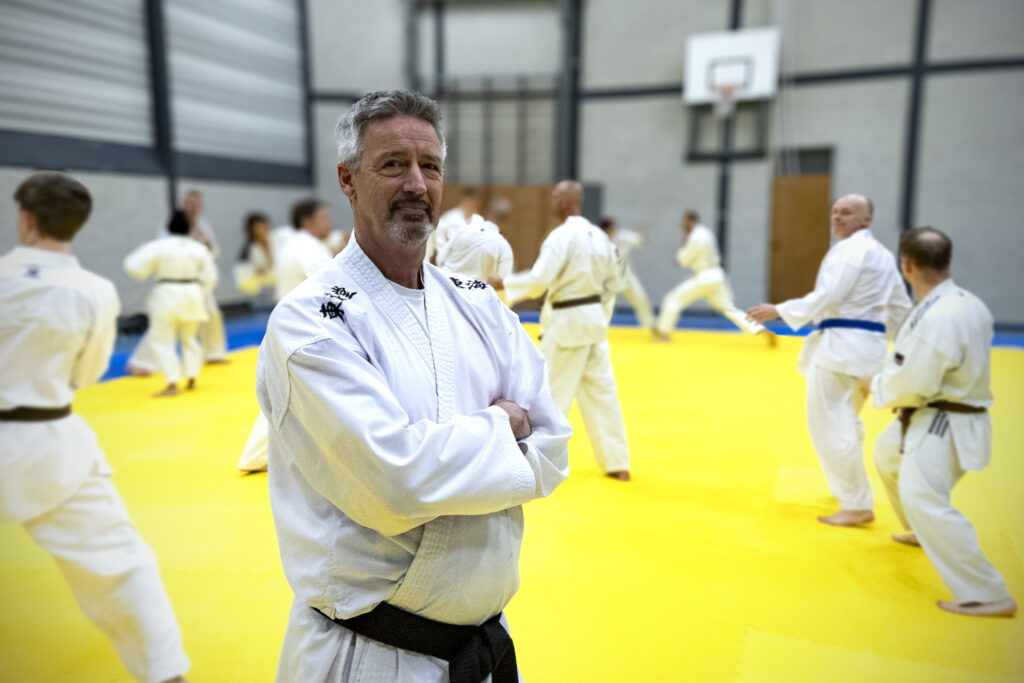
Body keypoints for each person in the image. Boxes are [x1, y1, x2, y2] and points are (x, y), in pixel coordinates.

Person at [256, 89, 570, 681]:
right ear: (348, 180)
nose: (417, 185)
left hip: (486, 641)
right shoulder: (311, 318)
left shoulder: (478, 303)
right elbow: (393, 481)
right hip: (370, 653)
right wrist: (505, 425)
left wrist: (445, 453)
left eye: (430, 166)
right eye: (393, 165)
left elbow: (553, 444)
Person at [0, 171, 190, 682]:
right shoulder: (94, 291)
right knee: (123, 566)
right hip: (51, 441)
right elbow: (87, 374)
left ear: (26, 218)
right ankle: (165, 674)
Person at [869, 227, 1016, 617]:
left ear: (907, 265)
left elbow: (915, 381)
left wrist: (880, 388)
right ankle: (921, 531)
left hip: (944, 420)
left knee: (925, 498)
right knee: (886, 456)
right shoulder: (967, 303)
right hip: (941, 409)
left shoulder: (939, 317)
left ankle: (988, 594)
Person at [748, 194, 912, 527]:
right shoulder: (881, 255)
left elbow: (830, 295)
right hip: (868, 350)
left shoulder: (851, 251)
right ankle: (852, 490)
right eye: (835, 212)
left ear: (866, 219)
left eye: (848, 212)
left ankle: (855, 503)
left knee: (828, 425)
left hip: (840, 349)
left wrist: (780, 310)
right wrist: (892, 346)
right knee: (847, 421)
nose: (838, 217)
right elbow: (899, 307)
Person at [496, 180, 631, 481]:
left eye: (556, 196)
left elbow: (540, 279)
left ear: (568, 202)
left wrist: (505, 284)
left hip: (567, 324)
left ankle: (539, 459)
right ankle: (617, 462)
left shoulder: (562, 237)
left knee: (550, 393)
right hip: (594, 323)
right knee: (603, 393)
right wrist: (600, 316)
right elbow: (613, 285)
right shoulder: (600, 238)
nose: (553, 201)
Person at [236, 199, 334, 473]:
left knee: (291, 391)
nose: (330, 222)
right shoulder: (305, 246)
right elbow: (326, 278)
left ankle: (259, 455)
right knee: (289, 392)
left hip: (296, 325)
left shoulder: (298, 243)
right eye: (324, 216)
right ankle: (256, 456)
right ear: (307, 221)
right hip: (302, 328)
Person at [124, 210, 218, 397]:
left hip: (166, 293)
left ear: (169, 227)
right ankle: (192, 377)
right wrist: (200, 290)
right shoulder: (199, 249)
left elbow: (134, 266)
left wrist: (147, 271)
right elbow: (210, 277)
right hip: (192, 293)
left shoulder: (159, 246)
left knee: (163, 340)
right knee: (190, 338)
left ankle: (172, 382)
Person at [653, 211, 767, 341]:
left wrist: (683, 241)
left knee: (673, 299)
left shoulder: (695, 237)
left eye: (684, 222)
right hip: (717, 276)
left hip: (704, 278)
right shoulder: (706, 232)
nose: (682, 225)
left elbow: (683, 260)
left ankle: (663, 333)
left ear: (690, 221)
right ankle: (757, 328)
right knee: (728, 308)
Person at [182, 190, 229, 365]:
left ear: (200, 207)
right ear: (183, 203)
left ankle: (214, 353)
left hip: (202, 278)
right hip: (181, 278)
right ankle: (144, 362)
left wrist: (203, 240)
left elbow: (214, 249)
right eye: (189, 203)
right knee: (172, 319)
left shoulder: (204, 226)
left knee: (211, 314)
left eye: (196, 204)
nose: (192, 207)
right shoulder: (174, 223)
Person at [273, 198, 334, 301]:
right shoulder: (308, 245)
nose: (329, 223)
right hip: (304, 311)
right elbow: (329, 281)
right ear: (306, 222)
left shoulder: (294, 242)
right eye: (323, 218)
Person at [598, 217, 654, 329]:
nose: (613, 230)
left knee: (641, 300)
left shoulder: (622, 236)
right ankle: (598, 330)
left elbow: (640, 240)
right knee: (602, 306)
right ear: (605, 230)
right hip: (608, 280)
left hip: (626, 277)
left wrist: (642, 234)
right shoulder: (598, 241)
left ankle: (650, 327)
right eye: (611, 228)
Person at [436, 213, 514, 283]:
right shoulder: (504, 245)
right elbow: (503, 281)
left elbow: (440, 258)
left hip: (445, 281)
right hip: (473, 291)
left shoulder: (463, 230)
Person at [425, 186, 479, 264]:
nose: (472, 207)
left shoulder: (475, 220)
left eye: (474, 205)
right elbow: (439, 240)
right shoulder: (450, 219)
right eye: (470, 204)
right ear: (463, 202)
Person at [233, 212, 275, 294]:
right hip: (259, 292)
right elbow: (243, 275)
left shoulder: (273, 242)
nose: (264, 231)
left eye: (265, 227)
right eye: (260, 228)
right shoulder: (251, 249)